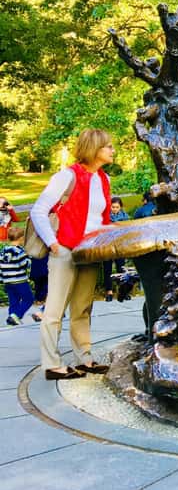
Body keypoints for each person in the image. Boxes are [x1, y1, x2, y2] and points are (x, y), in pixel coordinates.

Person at [31, 128, 115, 380]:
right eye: (108, 146)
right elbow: (38, 211)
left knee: (82, 308)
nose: (112, 150)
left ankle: (84, 358)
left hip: (90, 252)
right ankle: (52, 364)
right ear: (94, 148)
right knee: (54, 310)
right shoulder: (66, 176)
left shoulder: (104, 179)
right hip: (66, 249)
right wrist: (54, 244)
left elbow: (101, 218)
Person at [1, 227, 34, 325]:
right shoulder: (19, 251)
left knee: (13, 300)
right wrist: (29, 258)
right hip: (19, 280)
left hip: (8, 281)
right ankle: (16, 316)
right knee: (28, 299)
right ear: (21, 238)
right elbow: (24, 264)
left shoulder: (3, 250)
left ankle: (11, 317)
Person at [102, 196, 129, 301]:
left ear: (120, 207)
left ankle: (123, 292)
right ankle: (109, 292)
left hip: (120, 246)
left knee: (121, 269)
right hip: (108, 246)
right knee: (107, 270)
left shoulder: (125, 218)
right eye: (113, 207)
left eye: (117, 207)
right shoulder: (105, 217)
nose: (114, 209)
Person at [29, 253, 49, 321]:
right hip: (46, 266)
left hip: (38, 266)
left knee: (45, 290)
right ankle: (43, 311)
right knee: (50, 289)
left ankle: (57, 311)